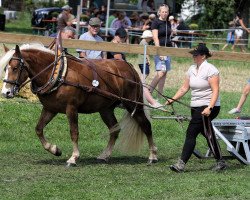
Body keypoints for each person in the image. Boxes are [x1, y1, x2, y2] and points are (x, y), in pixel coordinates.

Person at [166, 44, 227, 172]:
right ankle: (220, 161)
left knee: (191, 132)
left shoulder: (211, 69)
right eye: (193, 54)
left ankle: (181, 164)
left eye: (196, 54)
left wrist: (209, 107)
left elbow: (215, 91)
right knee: (207, 133)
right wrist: (172, 99)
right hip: (196, 106)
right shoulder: (191, 69)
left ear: (203, 56)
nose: (193, 56)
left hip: (209, 106)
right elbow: (184, 88)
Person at [150, 4, 172, 99]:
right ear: (159, 12)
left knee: (164, 73)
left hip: (168, 50)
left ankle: (160, 96)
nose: (164, 13)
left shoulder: (168, 23)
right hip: (160, 50)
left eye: (166, 12)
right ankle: (148, 93)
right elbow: (155, 37)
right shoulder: (155, 22)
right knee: (160, 73)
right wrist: (159, 52)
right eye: (162, 11)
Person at [138, 30, 164, 108]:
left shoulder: (142, 42)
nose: (151, 39)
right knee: (145, 72)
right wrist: (148, 60)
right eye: (150, 38)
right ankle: (141, 82)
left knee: (146, 72)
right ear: (147, 37)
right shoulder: (145, 43)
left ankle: (142, 81)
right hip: (143, 61)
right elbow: (146, 53)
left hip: (140, 61)